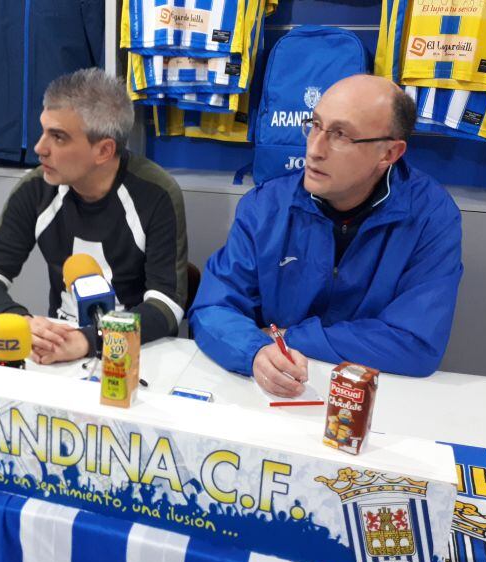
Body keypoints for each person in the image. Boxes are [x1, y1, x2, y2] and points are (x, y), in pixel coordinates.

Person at [189, 74, 463, 397]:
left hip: (374, 404)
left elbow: (416, 343)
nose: (315, 149)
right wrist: (254, 352)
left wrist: (290, 338)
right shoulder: (265, 207)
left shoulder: (432, 216)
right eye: (315, 125)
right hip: (273, 394)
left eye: (341, 135)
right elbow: (211, 308)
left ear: (389, 153)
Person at [0, 68, 188, 364]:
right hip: (59, 350)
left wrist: (90, 340)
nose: (39, 148)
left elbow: (166, 306)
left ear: (104, 150)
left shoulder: (155, 193)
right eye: (43, 130)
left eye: (58, 137)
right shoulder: (37, 188)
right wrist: (23, 323)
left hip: (138, 355)